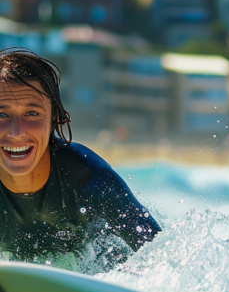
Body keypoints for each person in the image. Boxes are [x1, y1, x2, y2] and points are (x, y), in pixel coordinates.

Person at [0, 48, 161, 267]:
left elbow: (161, 257)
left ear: (54, 119)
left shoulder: (87, 178)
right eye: (2, 114)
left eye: (32, 113)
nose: (16, 131)